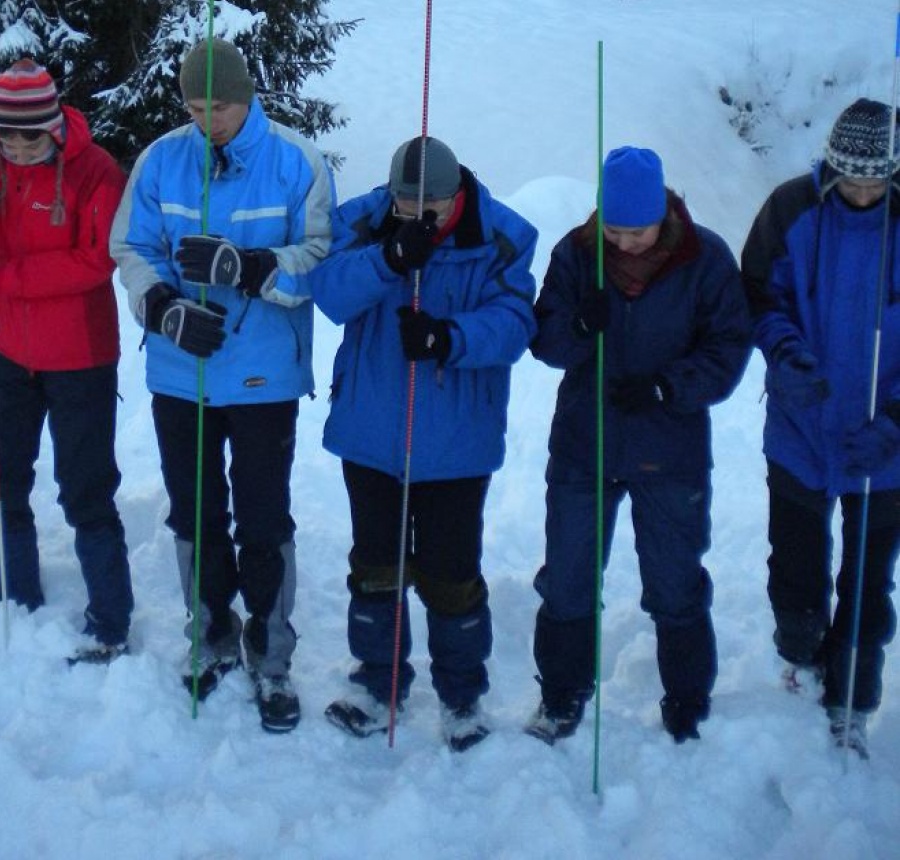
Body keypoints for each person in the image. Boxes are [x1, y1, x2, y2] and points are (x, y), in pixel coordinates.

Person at [110, 38, 333, 732]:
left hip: (264, 375)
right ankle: (209, 635)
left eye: (223, 106)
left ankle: (271, 650)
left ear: (249, 96)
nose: (210, 119)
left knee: (263, 517)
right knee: (196, 510)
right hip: (183, 373)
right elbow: (132, 246)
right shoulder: (160, 160)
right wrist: (161, 308)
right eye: (197, 106)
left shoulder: (297, 160)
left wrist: (251, 267)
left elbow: (322, 256)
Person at [311, 135, 537, 751]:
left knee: (450, 574)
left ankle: (462, 696)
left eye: (430, 208)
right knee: (376, 567)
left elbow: (516, 325)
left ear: (455, 193)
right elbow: (327, 293)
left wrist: (446, 338)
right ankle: (377, 682)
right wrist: (387, 258)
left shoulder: (504, 236)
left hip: (457, 443)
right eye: (406, 207)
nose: (419, 218)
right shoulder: (362, 219)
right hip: (372, 433)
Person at [529, 146, 751, 745]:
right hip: (585, 442)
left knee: (675, 579)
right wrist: (578, 326)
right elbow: (545, 340)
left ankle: (686, 696)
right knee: (569, 577)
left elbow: (728, 349)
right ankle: (562, 693)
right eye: (616, 230)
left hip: (668, 448)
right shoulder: (577, 255)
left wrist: (665, 386)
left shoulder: (704, 259)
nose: (625, 243)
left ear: (664, 216)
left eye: (639, 231)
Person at [0, 59, 134, 662]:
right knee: (2, 477)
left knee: (85, 487)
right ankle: (13, 596)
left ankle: (110, 619)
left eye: (28, 136)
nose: (16, 148)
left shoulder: (96, 171)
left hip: (80, 355)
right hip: (9, 351)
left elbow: (97, 260)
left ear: (54, 125)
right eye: (5, 136)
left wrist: (6, 275)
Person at [741, 97, 900, 759]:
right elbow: (758, 294)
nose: (864, 191)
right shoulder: (790, 208)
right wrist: (784, 349)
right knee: (796, 567)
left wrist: (895, 422)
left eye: (876, 180)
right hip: (801, 427)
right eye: (853, 178)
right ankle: (801, 660)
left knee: (867, 580)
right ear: (832, 168)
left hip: (883, 445)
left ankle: (853, 702)